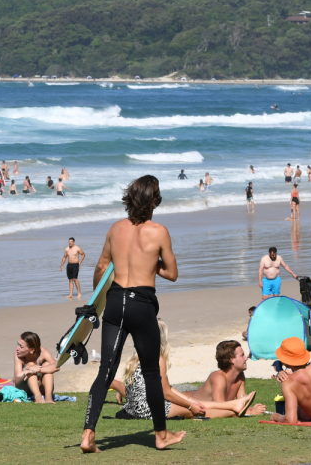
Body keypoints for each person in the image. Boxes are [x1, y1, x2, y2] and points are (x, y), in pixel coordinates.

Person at [81, 175, 185, 453]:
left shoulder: (115, 229)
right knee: (151, 373)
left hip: (115, 302)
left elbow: (101, 268)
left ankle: (88, 434)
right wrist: (151, 263)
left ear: (130, 198)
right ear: (155, 201)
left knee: (106, 370)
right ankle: (161, 435)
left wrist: (95, 305)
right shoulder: (159, 231)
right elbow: (172, 274)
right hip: (141, 304)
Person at [109, 320, 257, 420]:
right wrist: (190, 405)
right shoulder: (158, 358)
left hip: (133, 408)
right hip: (147, 409)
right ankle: (233, 408)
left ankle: (233, 405)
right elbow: (166, 392)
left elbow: (165, 389)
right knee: (200, 410)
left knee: (195, 403)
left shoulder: (138, 356)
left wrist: (190, 401)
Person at [181, 340, 266, 415]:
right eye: (242, 355)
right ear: (232, 359)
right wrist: (250, 412)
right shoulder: (218, 378)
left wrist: (251, 408)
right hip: (182, 397)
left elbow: (242, 400)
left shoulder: (240, 375)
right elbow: (220, 408)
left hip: (194, 391)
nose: (246, 358)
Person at [15, 332, 59, 403]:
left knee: (47, 364)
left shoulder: (43, 352)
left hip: (40, 387)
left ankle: (48, 398)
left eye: (21, 346)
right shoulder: (18, 355)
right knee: (30, 365)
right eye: (18, 344)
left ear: (32, 350)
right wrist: (28, 370)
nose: (17, 348)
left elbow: (57, 366)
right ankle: (38, 397)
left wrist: (36, 370)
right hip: (24, 388)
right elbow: (17, 380)